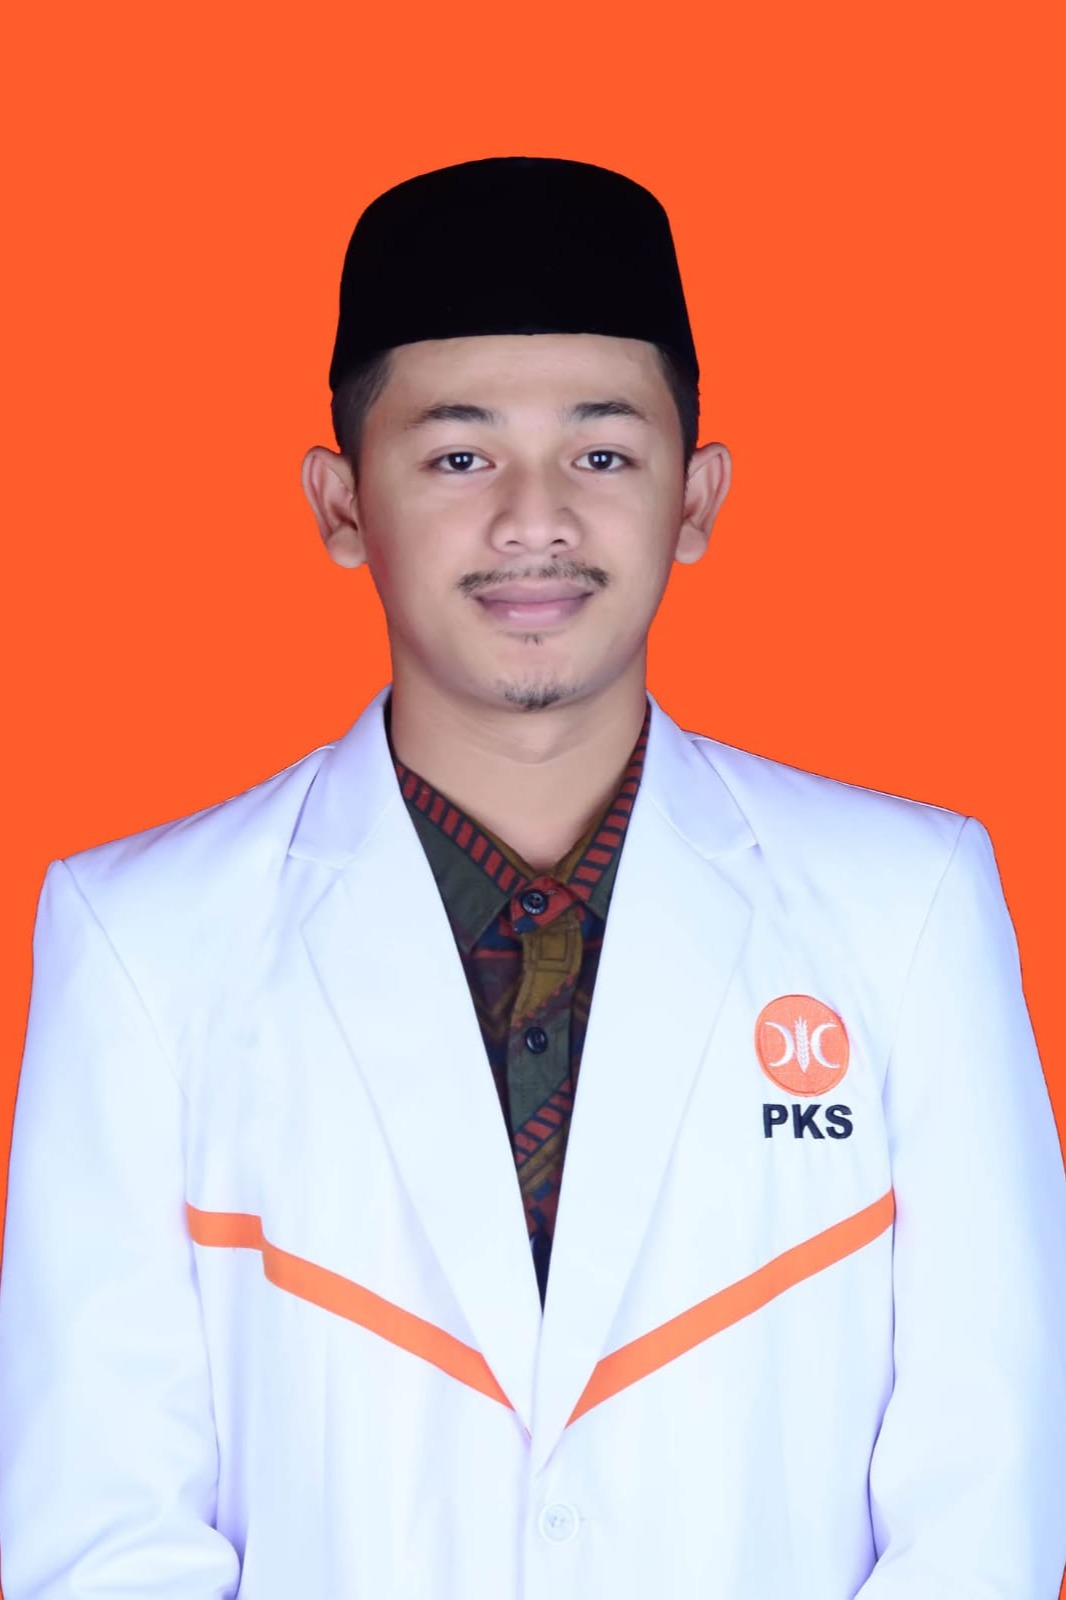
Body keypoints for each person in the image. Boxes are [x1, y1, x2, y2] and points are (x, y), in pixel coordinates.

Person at [0, 155, 1064, 1599]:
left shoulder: (908, 905)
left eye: (602, 453)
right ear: (340, 503)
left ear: (696, 496)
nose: (532, 520)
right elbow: (101, 1526)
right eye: (458, 456)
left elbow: (987, 1492)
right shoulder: (142, 939)